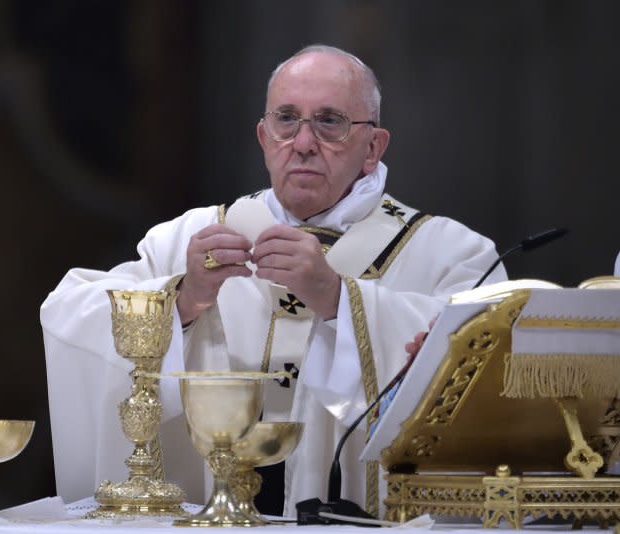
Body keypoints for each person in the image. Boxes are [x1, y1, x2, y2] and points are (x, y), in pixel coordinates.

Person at [40, 44, 507, 518]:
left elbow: (489, 370)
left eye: (330, 122)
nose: (303, 143)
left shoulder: (455, 255)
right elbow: (66, 312)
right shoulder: (190, 240)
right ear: (264, 138)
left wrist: (340, 300)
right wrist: (181, 299)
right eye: (287, 120)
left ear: (373, 148)